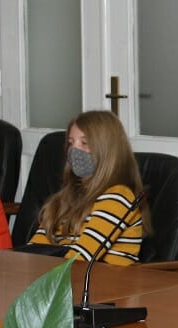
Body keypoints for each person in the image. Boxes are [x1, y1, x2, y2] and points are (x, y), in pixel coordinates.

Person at [28, 110, 146, 265]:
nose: (74, 150)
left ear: (107, 150)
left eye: (85, 143)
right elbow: (35, 250)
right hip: (67, 276)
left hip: (102, 278)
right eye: (71, 143)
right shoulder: (66, 197)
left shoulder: (118, 196)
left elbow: (82, 257)